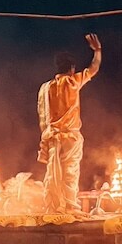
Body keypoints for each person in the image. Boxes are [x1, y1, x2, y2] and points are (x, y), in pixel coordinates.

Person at [38, 35, 102, 212]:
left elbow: (43, 116)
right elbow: (93, 68)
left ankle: (53, 207)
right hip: (70, 138)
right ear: (72, 69)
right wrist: (97, 50)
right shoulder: (74, 81)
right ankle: (69, 207)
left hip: (53, 137)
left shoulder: (47, 87)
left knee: (53, 174)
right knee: (69, 173)